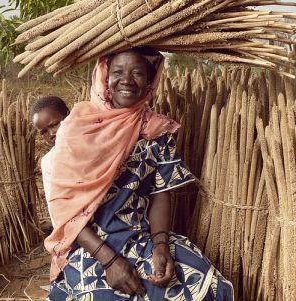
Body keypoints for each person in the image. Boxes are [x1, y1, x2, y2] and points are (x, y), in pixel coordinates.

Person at [35, 47, 233, 301]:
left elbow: (161, 194)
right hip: (91, 244)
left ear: (150, 81)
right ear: (105, 78)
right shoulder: (77, 129)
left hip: (141, 236)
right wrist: (109, 261)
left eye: (137, 73)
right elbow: (66, 213)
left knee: (207, 285)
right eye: (118, 72)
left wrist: (160, 246)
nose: (127, 80)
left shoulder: (157, 131)